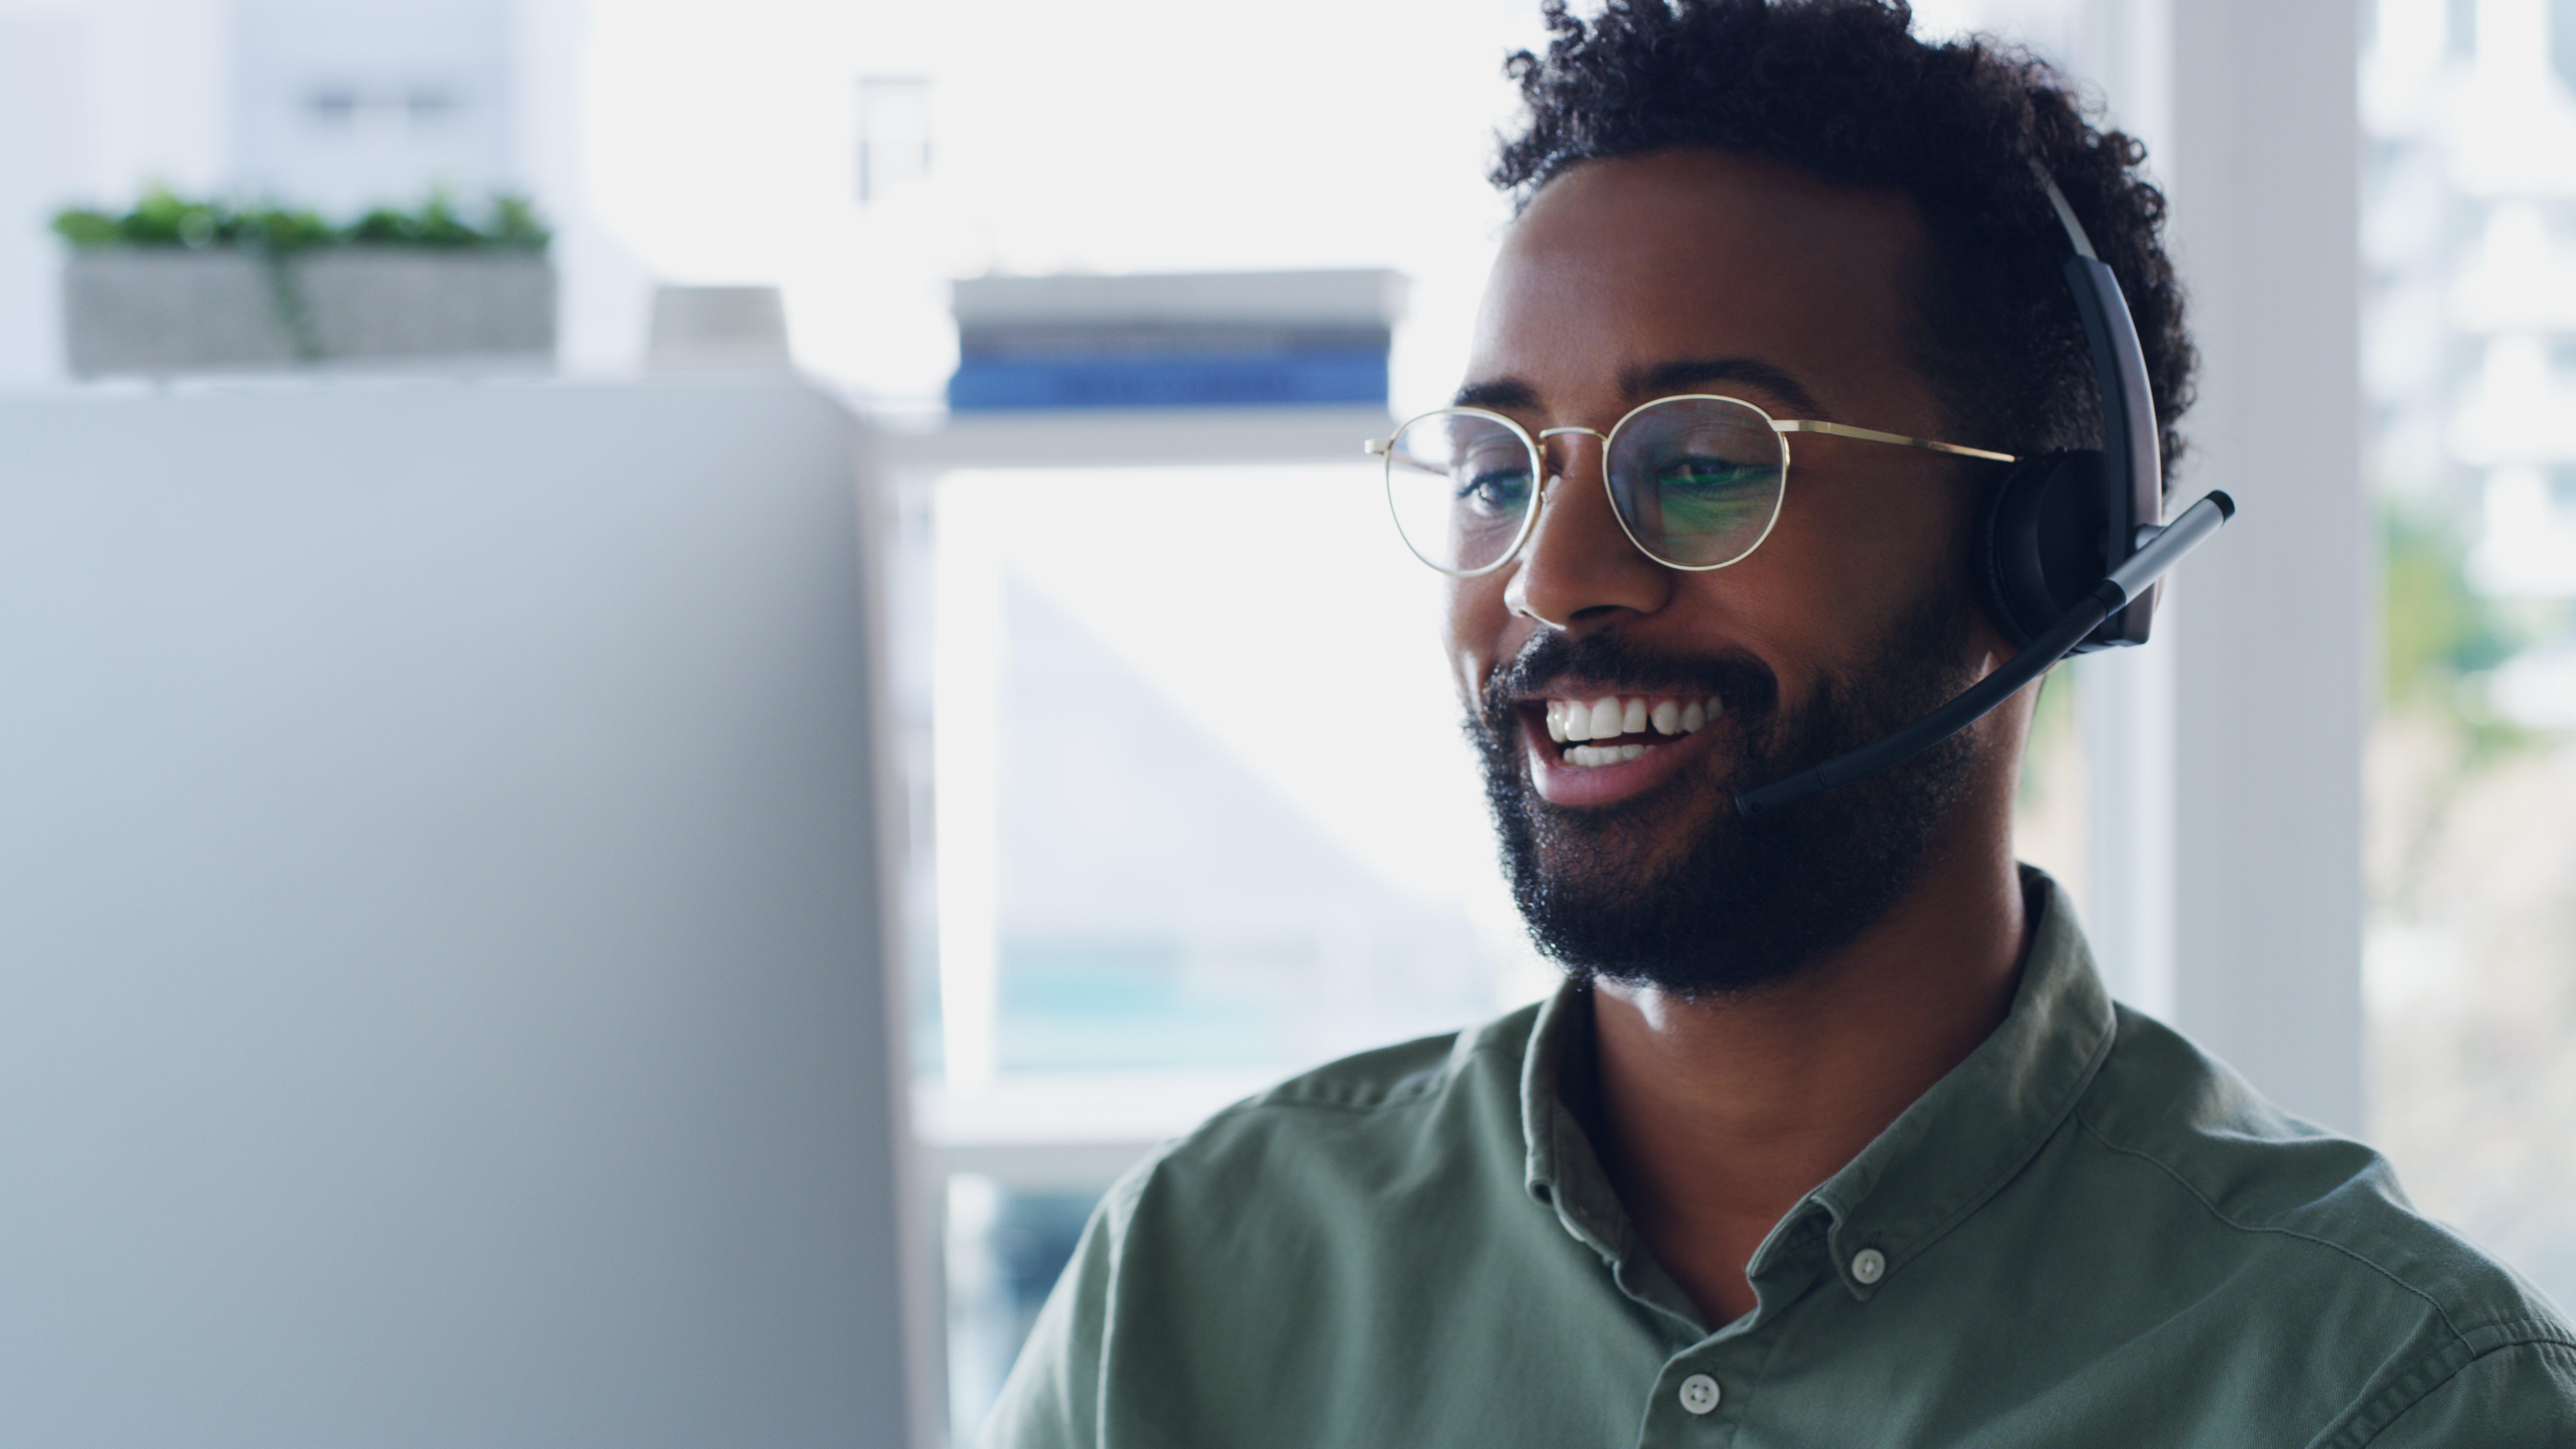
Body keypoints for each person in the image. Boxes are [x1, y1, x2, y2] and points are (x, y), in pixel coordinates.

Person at [979, 2, 2576, 1444]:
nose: (1553, 580)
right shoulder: (1194, 1284)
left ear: (2040, 558)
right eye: (1496, 473)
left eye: (1704, 463)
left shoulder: (2389, 1392)